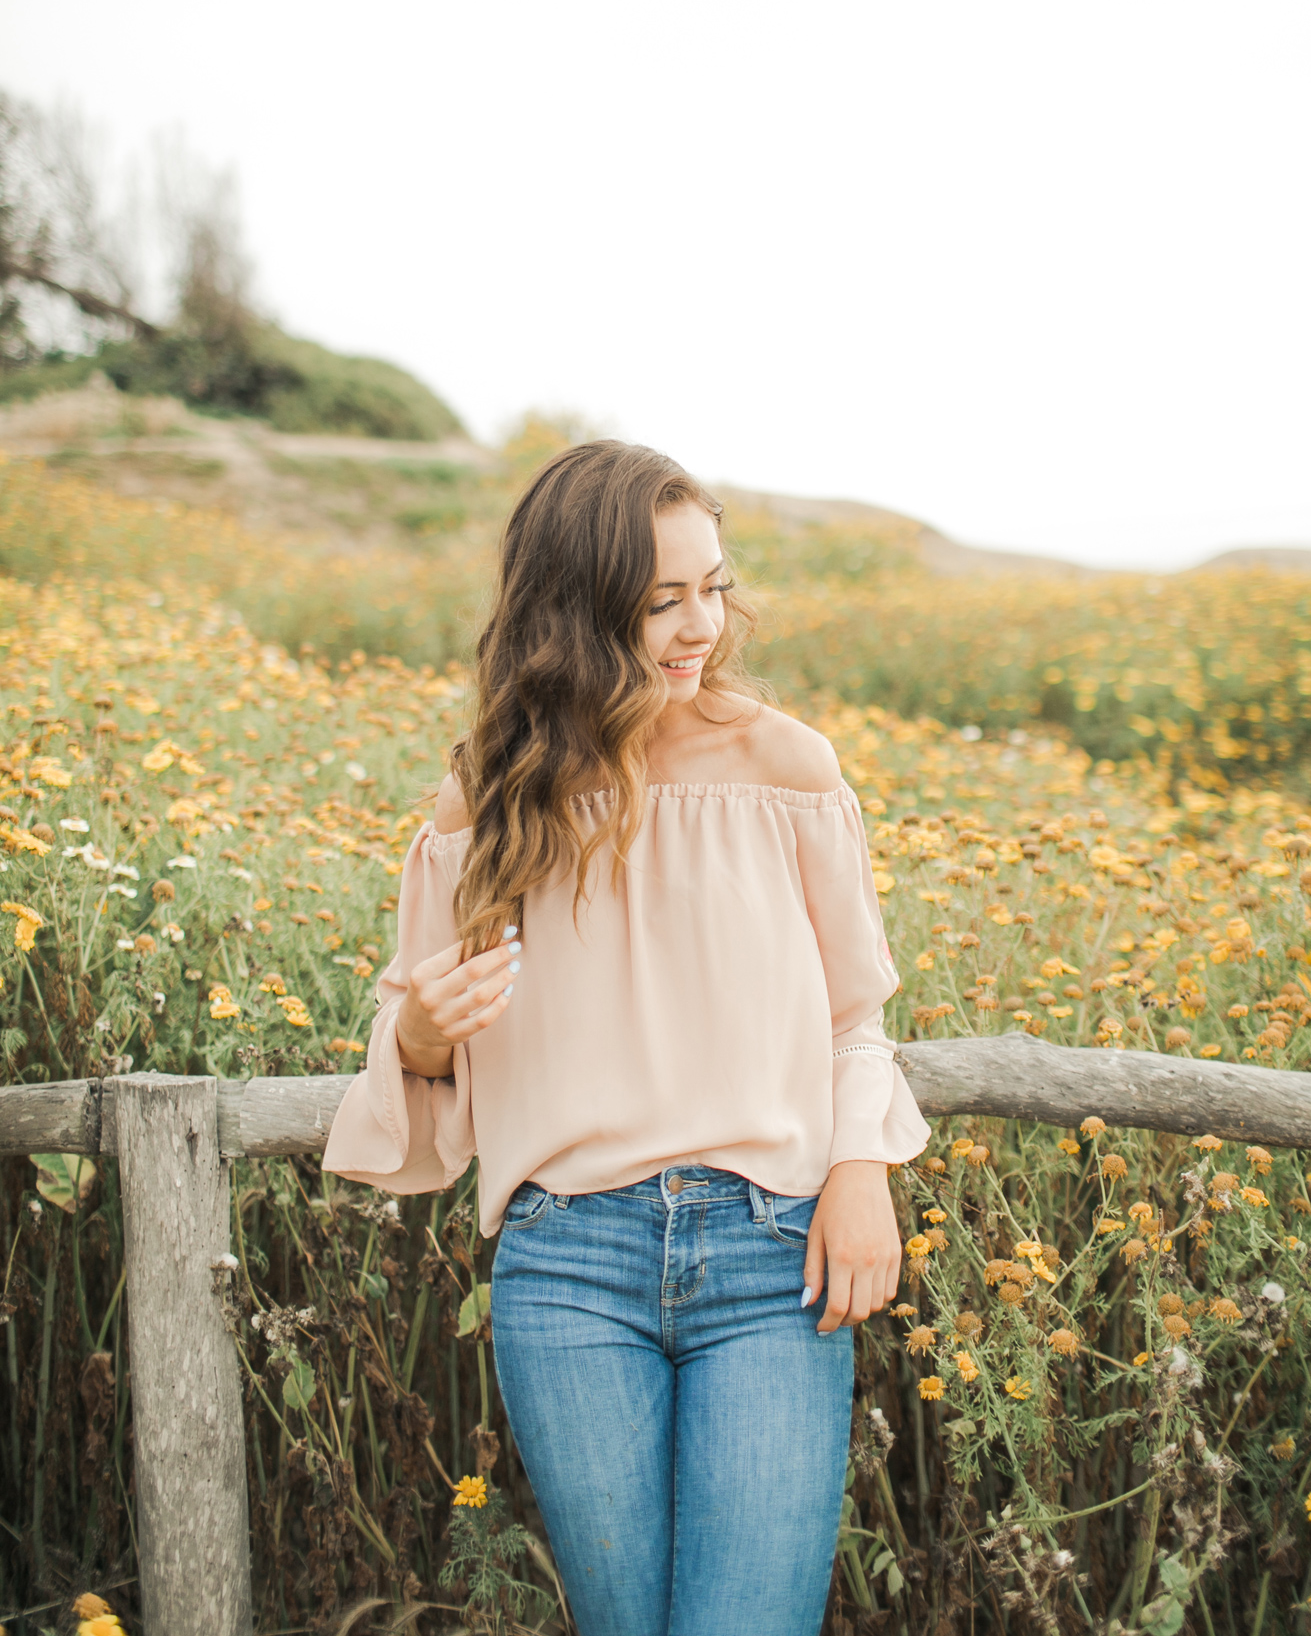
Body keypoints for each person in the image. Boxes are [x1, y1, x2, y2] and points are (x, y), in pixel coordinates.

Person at [323, 440, 930, 1636]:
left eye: (714, 585)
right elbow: (419, 1044)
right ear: (577, 609)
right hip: (568, 1269)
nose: (701, 623)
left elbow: (857, 1017)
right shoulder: (484, 802)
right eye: (663, 601)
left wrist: (862, 1170)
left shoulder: (787, 769)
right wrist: (424, 1030)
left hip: (775, 1257)